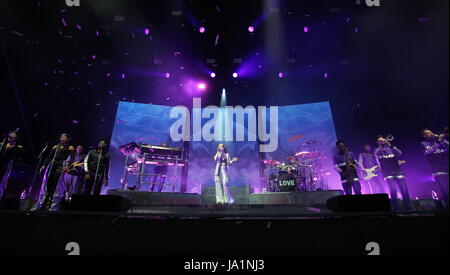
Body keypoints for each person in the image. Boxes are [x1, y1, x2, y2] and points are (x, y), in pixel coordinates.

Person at [374, 136, 412, 211]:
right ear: (377, 143)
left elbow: (399, 153)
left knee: (404, 190)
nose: (382, 141)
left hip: (397, 171)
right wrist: (380, 146)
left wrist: (391, 146)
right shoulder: (377, 150)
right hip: (387, 172)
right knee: (393, 191)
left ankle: (408, 208)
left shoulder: (390, 147)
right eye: (379, 141)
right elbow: (376, 154)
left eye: (382, 140)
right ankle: (396, 208)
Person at [39, 133, 75, 210]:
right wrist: (43, 165)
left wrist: (67, 166)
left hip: (61, 165)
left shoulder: (70, 147)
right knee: (48, 183)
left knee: (56, 185)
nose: (61, 138)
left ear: (68, 139)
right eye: (61, 137)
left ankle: (53, 206)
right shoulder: (56, 146)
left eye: (64, 137)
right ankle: (43, 203)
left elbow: (72, 158)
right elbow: (49, 157)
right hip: (52, 164)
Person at [421, 129, 449, 207]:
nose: (430, 133)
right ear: (424, 136)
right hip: (437, 170)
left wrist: (443, 140)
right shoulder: (423, 143)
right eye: (427, 133)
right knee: (445, 190)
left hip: (446, 167)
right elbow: (430, 150)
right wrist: (439, 142)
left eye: (430, 132)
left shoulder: (439, 141)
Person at [0, 131, 25, 199]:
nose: (10, 138)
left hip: (8, 164)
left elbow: (19, 157)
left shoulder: (18, 148)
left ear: (15, 138)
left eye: (13, 137)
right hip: (1, 163)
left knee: (3, 181)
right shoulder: (2, 145)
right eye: (10, 136)